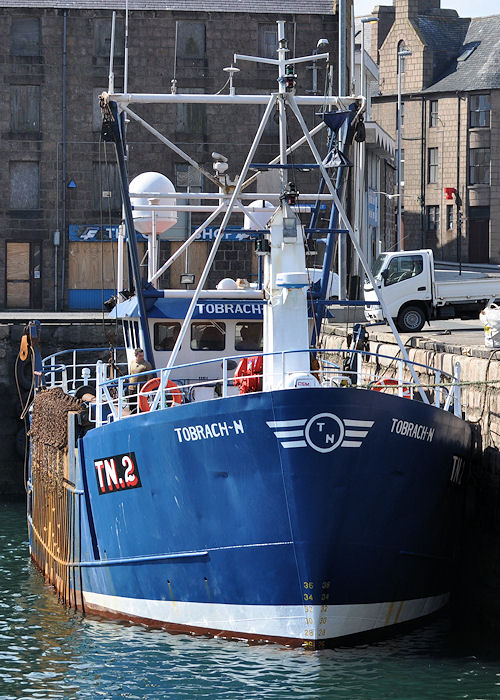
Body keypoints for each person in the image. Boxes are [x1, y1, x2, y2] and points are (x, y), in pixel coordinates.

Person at [128, 348, 153, 412]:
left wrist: (147, 390)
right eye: (140, 356)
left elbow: (150, 378)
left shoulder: (147, 365)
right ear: (136, 355)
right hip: (131, 388)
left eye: (143, 355)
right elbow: (130, 373)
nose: (142, 357)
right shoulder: (132, 363)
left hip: (140, 389)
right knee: (131, 406)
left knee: (140, 407)